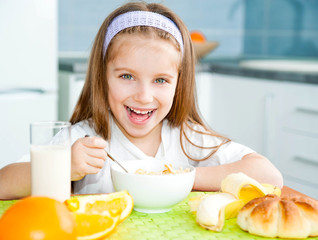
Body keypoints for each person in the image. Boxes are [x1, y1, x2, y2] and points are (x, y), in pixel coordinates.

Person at [0, 1, 283, 199]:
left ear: (178, 83)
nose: (143, 96)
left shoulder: (186, 139)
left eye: (160, 80)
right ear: (103, 76)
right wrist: (64, 166)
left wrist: (179, 179)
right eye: (126, 76)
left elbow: (269, 176)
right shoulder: (84, 139)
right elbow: (3, 184)